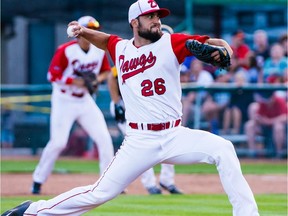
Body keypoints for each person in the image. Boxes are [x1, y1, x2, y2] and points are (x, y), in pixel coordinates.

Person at [3, 1, 259, 215]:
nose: (156, 20)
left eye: (158, 15)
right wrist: (82, 31)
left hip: (175, 135)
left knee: (223, 149)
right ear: (134, 23)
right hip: (140, 140)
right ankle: (32, 210)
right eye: (150, 16)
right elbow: (104, 40)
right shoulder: (121, 48)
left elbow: (216, 43)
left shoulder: (172, 42)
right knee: (99, 193)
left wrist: (224, 50)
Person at [30, 16, 115, 195]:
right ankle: (38, 180)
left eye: (94, 28)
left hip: (85, 100)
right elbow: (52, 76)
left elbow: (105, 72)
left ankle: (108, 182)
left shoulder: (99, 51)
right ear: (79, 32)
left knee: (104, 138)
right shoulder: (66, 50)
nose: (91, 32)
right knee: (58, 143)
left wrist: (94, 80)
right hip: (64, 100)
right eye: (88, 28)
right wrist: (75, 81)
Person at [109, 65, 182, 195]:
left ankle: (167, 180)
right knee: (141, 144)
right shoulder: (131, 56)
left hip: (149, 104)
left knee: (168, 137)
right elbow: (112, 77)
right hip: (126, 104)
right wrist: (116, 102)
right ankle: (149, 184)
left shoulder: (156, 57)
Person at [244, 92, 287, 158]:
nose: (267, 101)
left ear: (273, 97)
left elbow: (285, 117)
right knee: (249, 125)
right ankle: (252, 153)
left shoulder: (279, 101)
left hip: (276, 128)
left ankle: (279, 153)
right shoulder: (263, 102)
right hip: (264, 128)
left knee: (278, 127)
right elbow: (258, 116)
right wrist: (259, 119)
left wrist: (270, 121)